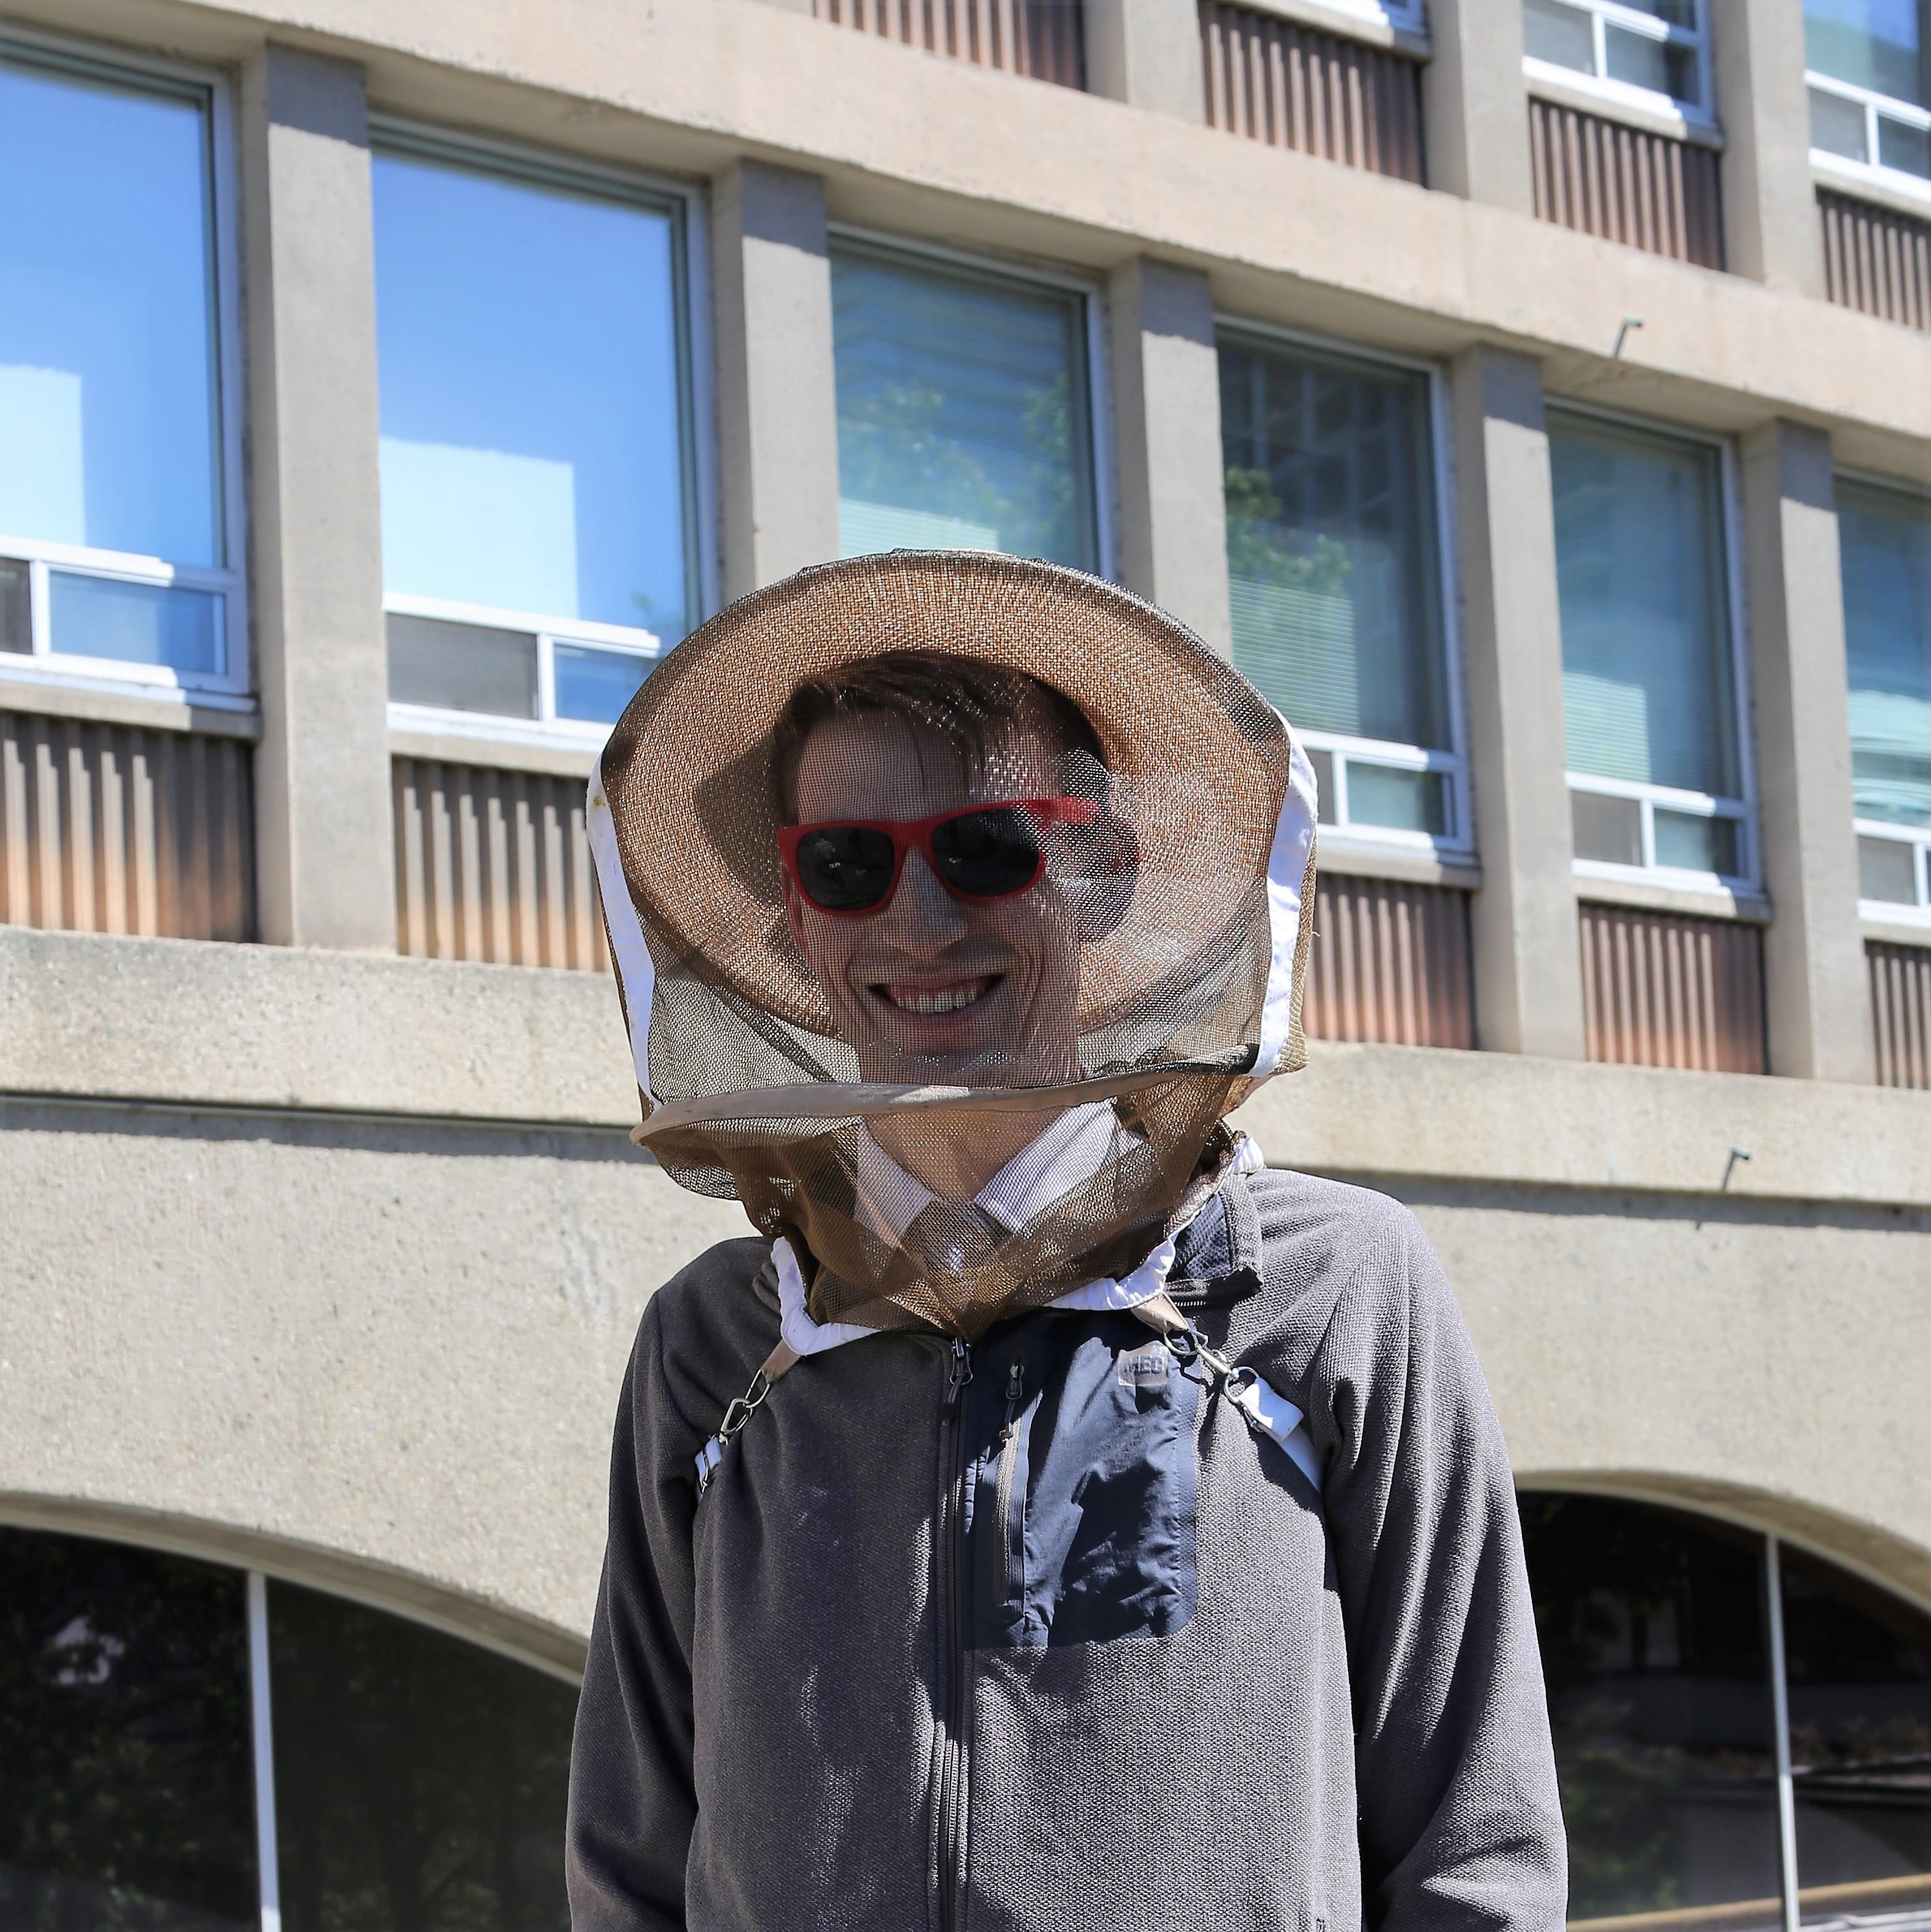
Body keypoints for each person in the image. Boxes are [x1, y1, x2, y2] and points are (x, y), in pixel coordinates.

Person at [567, 552, 1566, 1932]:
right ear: (798, 923)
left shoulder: (1334, 1290)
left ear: (1097, 875)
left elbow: (1480, 1849)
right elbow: (628, 1858)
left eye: (987, 848)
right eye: (848, 864)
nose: (917, 921)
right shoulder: (715, 1347)